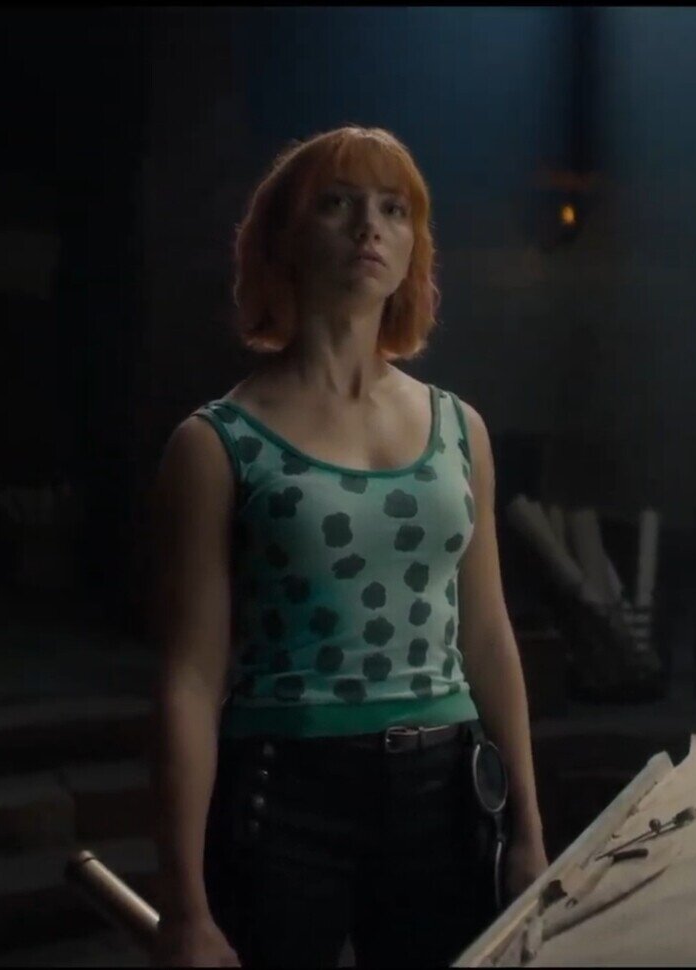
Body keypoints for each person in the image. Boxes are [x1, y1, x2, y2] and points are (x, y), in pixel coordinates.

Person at [148, 125, 549, 968]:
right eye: (336, 204)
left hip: (445, 788)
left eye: (392, 209)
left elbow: (486, 636)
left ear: (412, 249)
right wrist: (183, 905)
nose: (369, 226)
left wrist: (528, 832)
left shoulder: (459, 428)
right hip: (284, 789)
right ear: (282, 241)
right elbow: (188, 677)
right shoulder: (216, 443)